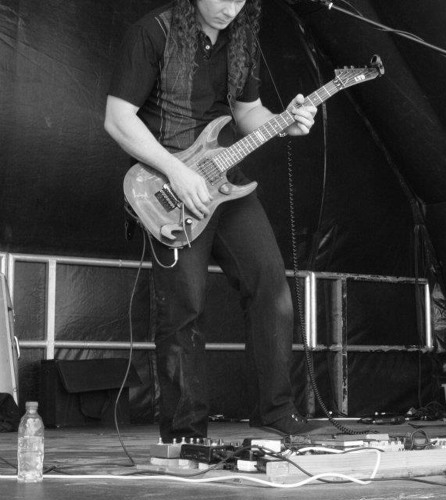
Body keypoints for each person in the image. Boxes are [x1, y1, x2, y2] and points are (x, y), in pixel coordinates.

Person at [105, 0, 328, 442]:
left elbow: (247, 112)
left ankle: (275, 412)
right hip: (170, 188)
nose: (231, 8)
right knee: (183, 309)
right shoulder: (152, 34)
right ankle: (185, 431)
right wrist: (175, 170)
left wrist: (286, 122)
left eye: (241, 0)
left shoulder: (241, 38)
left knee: (272, 289)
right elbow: (117, 119)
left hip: (226, 182)